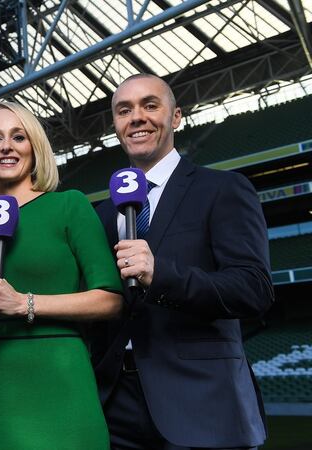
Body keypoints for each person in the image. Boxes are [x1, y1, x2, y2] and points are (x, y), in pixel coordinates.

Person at [92, 74, 273, 449]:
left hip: (203, 403)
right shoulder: (103, 213)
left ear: (176, 117)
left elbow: (254, 289)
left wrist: (160, 274)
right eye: (124, 110)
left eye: (150, 105)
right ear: (116, 125)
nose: (136, 117)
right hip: (114, 409)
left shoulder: (222, 189)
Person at [0, 101, 122, 449]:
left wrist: (25, 303)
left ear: (34, 147)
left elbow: (110, 299)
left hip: (60, 377)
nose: (6, 146)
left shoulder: (69, 206)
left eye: (18, 136)